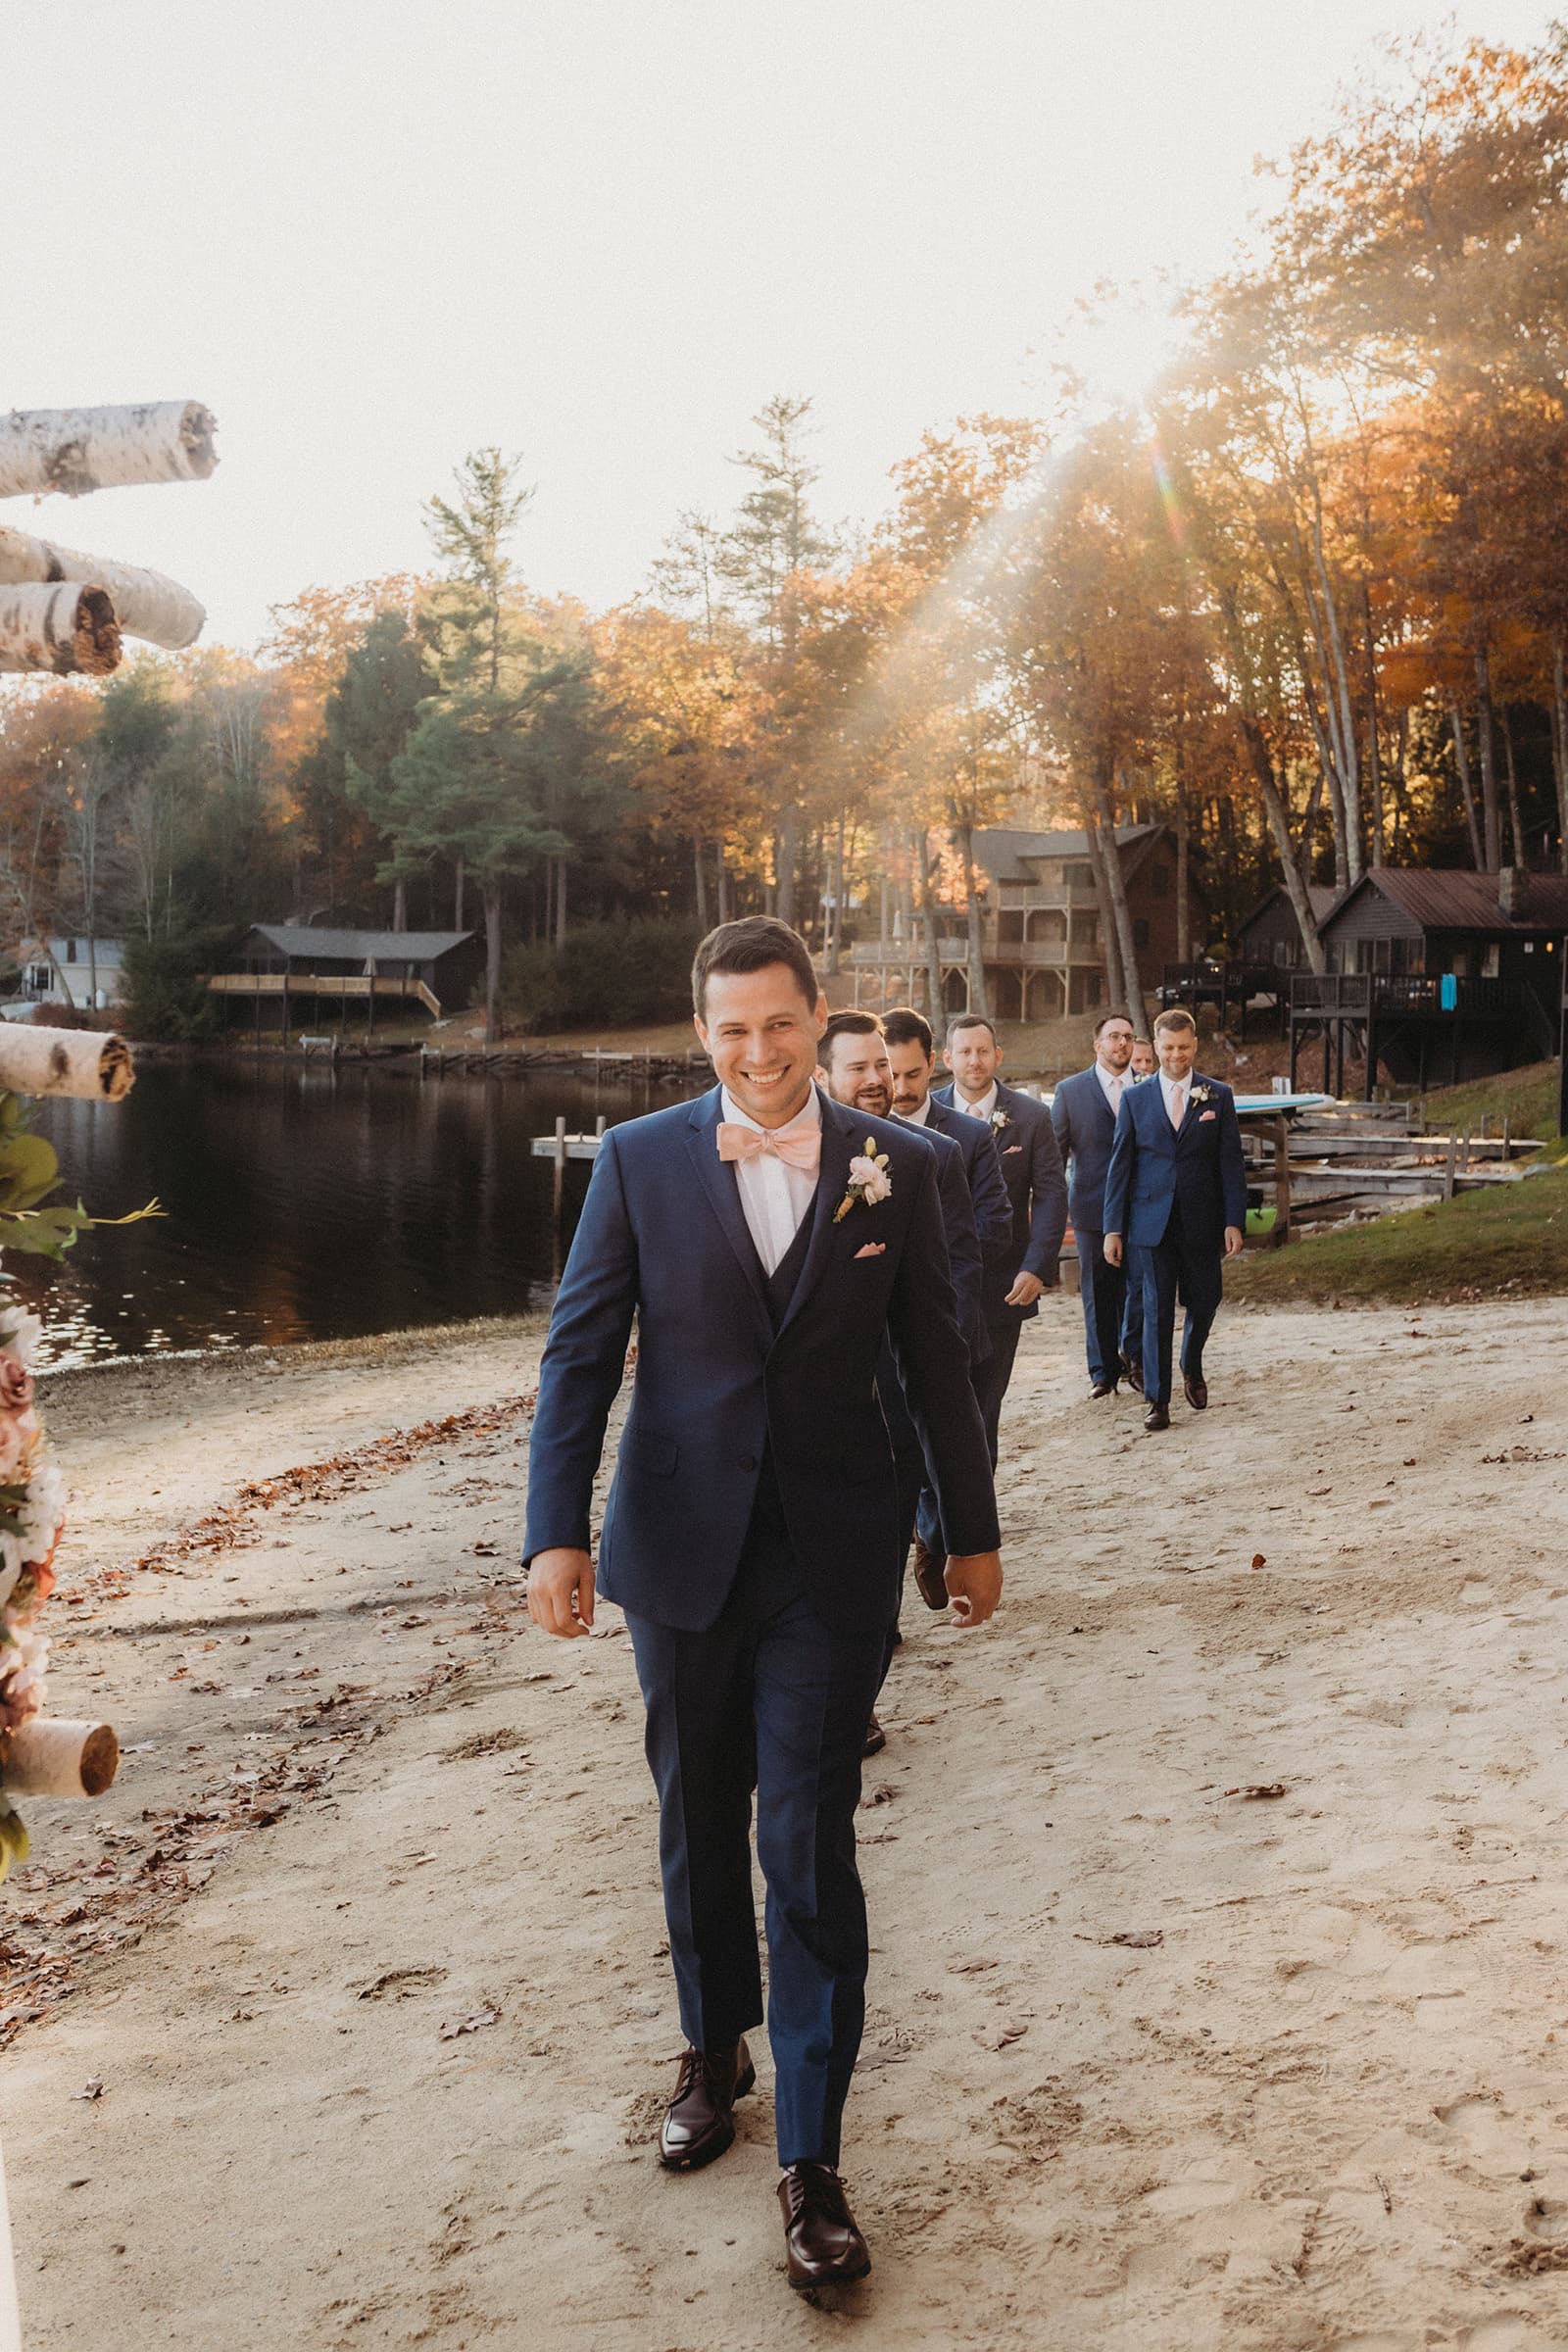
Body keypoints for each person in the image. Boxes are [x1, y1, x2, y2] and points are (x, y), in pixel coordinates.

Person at [523, 917, 1002, 2293]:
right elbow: (580, 1360)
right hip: (676, 1552)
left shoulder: (899, 1168)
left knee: (807, 1838)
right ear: (704, 1034)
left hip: (832, 1561)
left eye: (779, 1025)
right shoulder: (636, 1163)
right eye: (731, 1031)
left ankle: (812, 2159)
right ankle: (710, 2044)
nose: (759, 1052)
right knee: (694, 1812)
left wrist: (968, 1534)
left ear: (818, 1015)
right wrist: (555, 1536)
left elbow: (937, 1369)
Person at [817, 1009, 984, 1750]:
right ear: (823, 1074)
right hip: (817, 1394)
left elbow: (957, 1267)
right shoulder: (796, 1155)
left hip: (897, 1390)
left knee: (880, 1549)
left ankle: (860, 1693)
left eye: (881, 1064)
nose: (876, 1080)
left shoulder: (933, 1157)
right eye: (857, 1067)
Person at [1102, 1005, 1248, 1433]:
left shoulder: (1217, 1095)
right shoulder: (1134, 1099)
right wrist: (1113, 1227)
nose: (1176, 1055)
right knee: (1155, 1310)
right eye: (1168, 1047)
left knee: (1205, 1301)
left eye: (1184, 1047)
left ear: (1195, 1045)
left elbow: (1231, 1163)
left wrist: (1233, 1220)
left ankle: (1192, 1361)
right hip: (1150, 1223)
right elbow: (1120, 1167)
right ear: (1156, 1045)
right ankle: (1158, 1401)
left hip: (1203, 1221)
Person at [934, 1012, 1067, 1465]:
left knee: (985, 1405)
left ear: (998, 1056)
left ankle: (975, 1517)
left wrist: (1037, 1265)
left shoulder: (1032, 1118)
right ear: (947, 1058)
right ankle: (929, 1515)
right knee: (933, 1404)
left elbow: (1050, 1194)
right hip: (937, 1284)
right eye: (965, 1052)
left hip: (1003, 1285)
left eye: (983, 1051)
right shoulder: (925, 1116)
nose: (975, 1060)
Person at [1051, 1011, 1137, 1399]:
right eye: (1115, 1037)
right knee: (1098, 1292)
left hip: (1141, 1207)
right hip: (1091, 1206)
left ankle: (1137, 1360)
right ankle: (1103, 1372)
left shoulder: (1147, 1087)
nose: (1122, 1043)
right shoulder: (1071, 1091)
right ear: (1097, 1045)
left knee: (1141, 1288)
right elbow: (1056, 1152)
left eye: (1129, 1037)